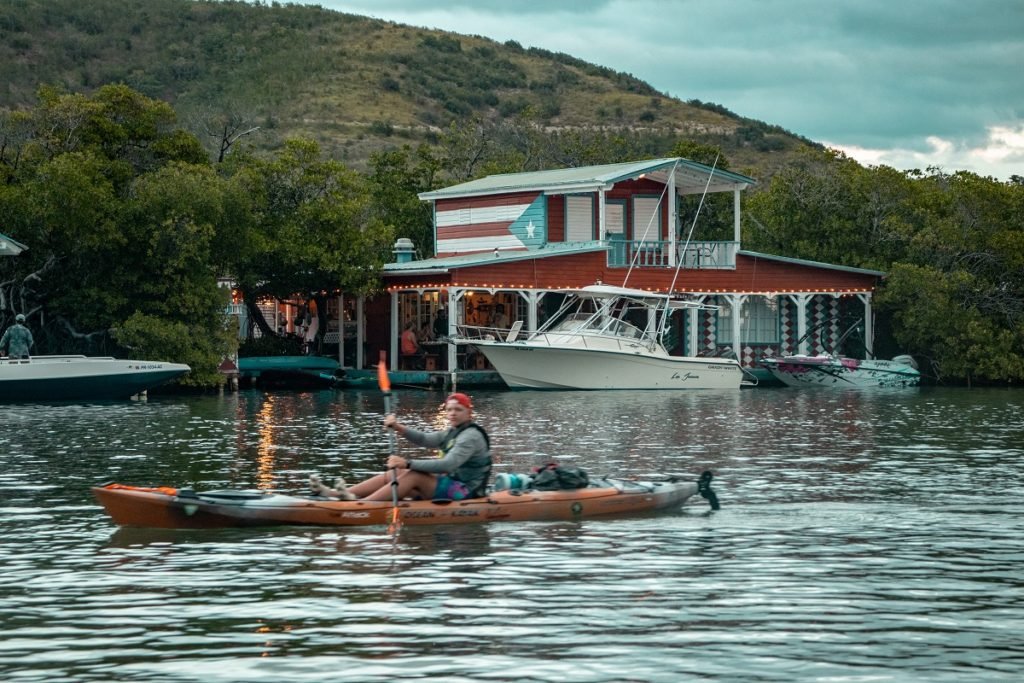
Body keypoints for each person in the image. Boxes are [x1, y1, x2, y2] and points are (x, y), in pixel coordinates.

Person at [310, 392, 491, 501]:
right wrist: (397, 427)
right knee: (394, 473)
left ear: (469, 413)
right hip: (451, 482)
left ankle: (361, 505)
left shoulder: (470, 436)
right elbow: (424, 439)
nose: (452, 413)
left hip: (466, 491)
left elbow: (447, 465)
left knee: (413, 474)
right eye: (449, 409)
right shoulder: (452, 431)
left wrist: (407, 462)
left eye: (458, 410)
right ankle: (336, 494)